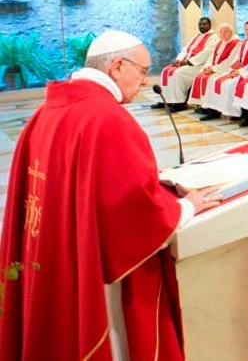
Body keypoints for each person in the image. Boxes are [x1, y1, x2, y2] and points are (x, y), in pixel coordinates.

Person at [0, 30, 220, 360]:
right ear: (117, 66)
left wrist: (160, 186)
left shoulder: (47, 112)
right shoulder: (106, 119)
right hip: (93, 285)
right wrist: (185, 207)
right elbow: (133, 217)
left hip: (52, 261)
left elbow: (90, 189)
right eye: (144, 71)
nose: (146, 82)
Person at [199, 20, 248, 121]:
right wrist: (233, 70)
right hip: (238, 70)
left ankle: (234, 113)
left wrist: (240, 72)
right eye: (246, 29)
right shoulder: (244, 42)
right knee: (214, 80)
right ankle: (213, 110)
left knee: (229, 85)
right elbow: (237, 58)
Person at [153, 17, 218, 111]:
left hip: (198, 65)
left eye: (204, 24)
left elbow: (206, 53)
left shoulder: (213, 38)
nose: (202, 26)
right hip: (186, 63)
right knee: (166, 71)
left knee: (178, 73)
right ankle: (166, 100)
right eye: (200, 24)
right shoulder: (196, 37)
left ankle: (179, 103)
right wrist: (179, 60)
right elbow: (185, 50)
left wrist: (188, 62)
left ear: (210, 25)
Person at [187, 23, 240, 112]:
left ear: (231, 32)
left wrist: (214, 69)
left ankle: (213, 109)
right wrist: (208, 66)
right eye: (221, 32)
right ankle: (203, 105)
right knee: (199, 76)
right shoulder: (219, 42)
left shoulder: (236, 43)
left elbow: (230, 61)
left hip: (225, 70)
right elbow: (211, 57)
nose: (223, 34)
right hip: (215, 68)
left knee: (211, 80)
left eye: (226, 31)